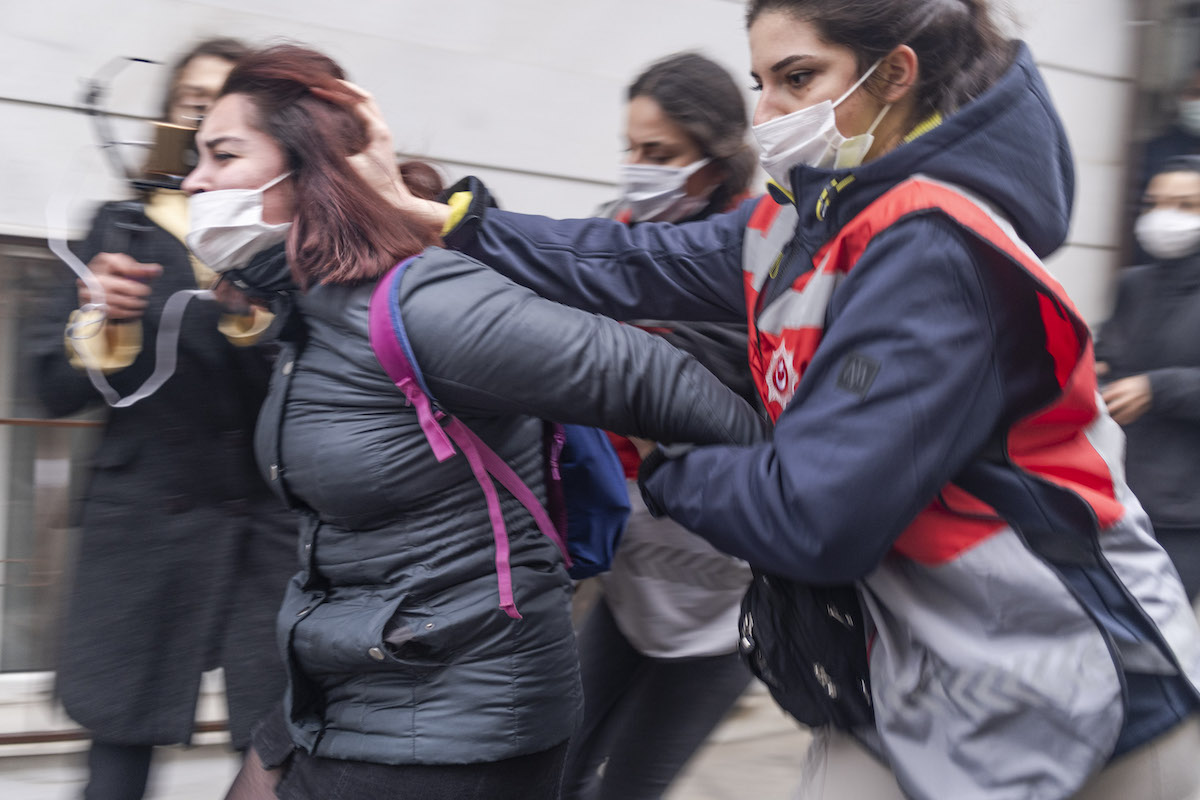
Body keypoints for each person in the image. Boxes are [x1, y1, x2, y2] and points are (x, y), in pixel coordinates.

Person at [357, 0, 1200, 797]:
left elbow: (816, 519)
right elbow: (628, 263)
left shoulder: (936, 248)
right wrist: (448, 221)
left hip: (1082, 692)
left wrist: (662, 453)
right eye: (761, 82)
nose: (767, 114)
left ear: (894, 73)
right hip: (913, 675)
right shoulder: (807, 216)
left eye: (799, 78)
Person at [175, 45, 766, 800]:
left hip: (456, 714)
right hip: (354, 679)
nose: (194, 181)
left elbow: (658, 379)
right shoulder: (304, 314)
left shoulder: (423, 302)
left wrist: (780, 507)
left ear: (307, 167)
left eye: (222, 154)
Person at [30, 37, 296, 800]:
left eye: (228, 108)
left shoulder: (293, 241)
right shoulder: (119, 227)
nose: (209, 122)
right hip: (142, 530)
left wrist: (254, 316)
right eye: (193, 104)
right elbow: (46, 386)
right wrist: (102, 325)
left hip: (265, 539)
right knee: (116, 758)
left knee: (272, 754)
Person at [562, 52, 758, 800]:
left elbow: (715, 372)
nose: (637, 169)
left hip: (725, 596)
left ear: (714, 161)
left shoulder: (765, 253)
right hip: (631, 574)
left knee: (633, 784)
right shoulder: (610, 233)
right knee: (554, 765)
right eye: (632, 149)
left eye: (661, 154)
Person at [1097, 155, 1200, 602]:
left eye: (1186, 205)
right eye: (1155, 204)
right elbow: (1110, 354)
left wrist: (1157, 389)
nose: (1165, 218)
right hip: (1120, 497)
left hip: (1185, 515)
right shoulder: (1133, 285)